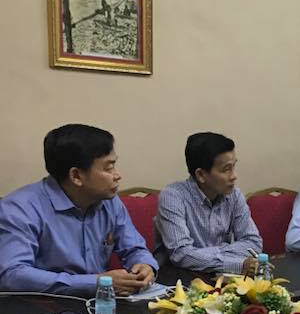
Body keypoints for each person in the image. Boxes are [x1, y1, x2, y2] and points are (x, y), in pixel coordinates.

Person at [0, 124, 156, 296]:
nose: (117, 175)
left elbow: (134, 249)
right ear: (76, 176)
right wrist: (95, 283)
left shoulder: (109, 201)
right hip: (42, 306)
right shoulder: (19, 209)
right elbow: (12, 274)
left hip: (100, 304)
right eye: (108, 168)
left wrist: (145, 266)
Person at [155, 132, 262, 274]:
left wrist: (204, 254)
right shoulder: (173, 196)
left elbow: (253, 243)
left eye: (233, 167)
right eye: (226, 169)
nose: (234, 176)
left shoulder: (234, 196)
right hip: (180, 280)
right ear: (201, 175)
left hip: (223, 278)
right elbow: (181, 254)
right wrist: (234, 263)